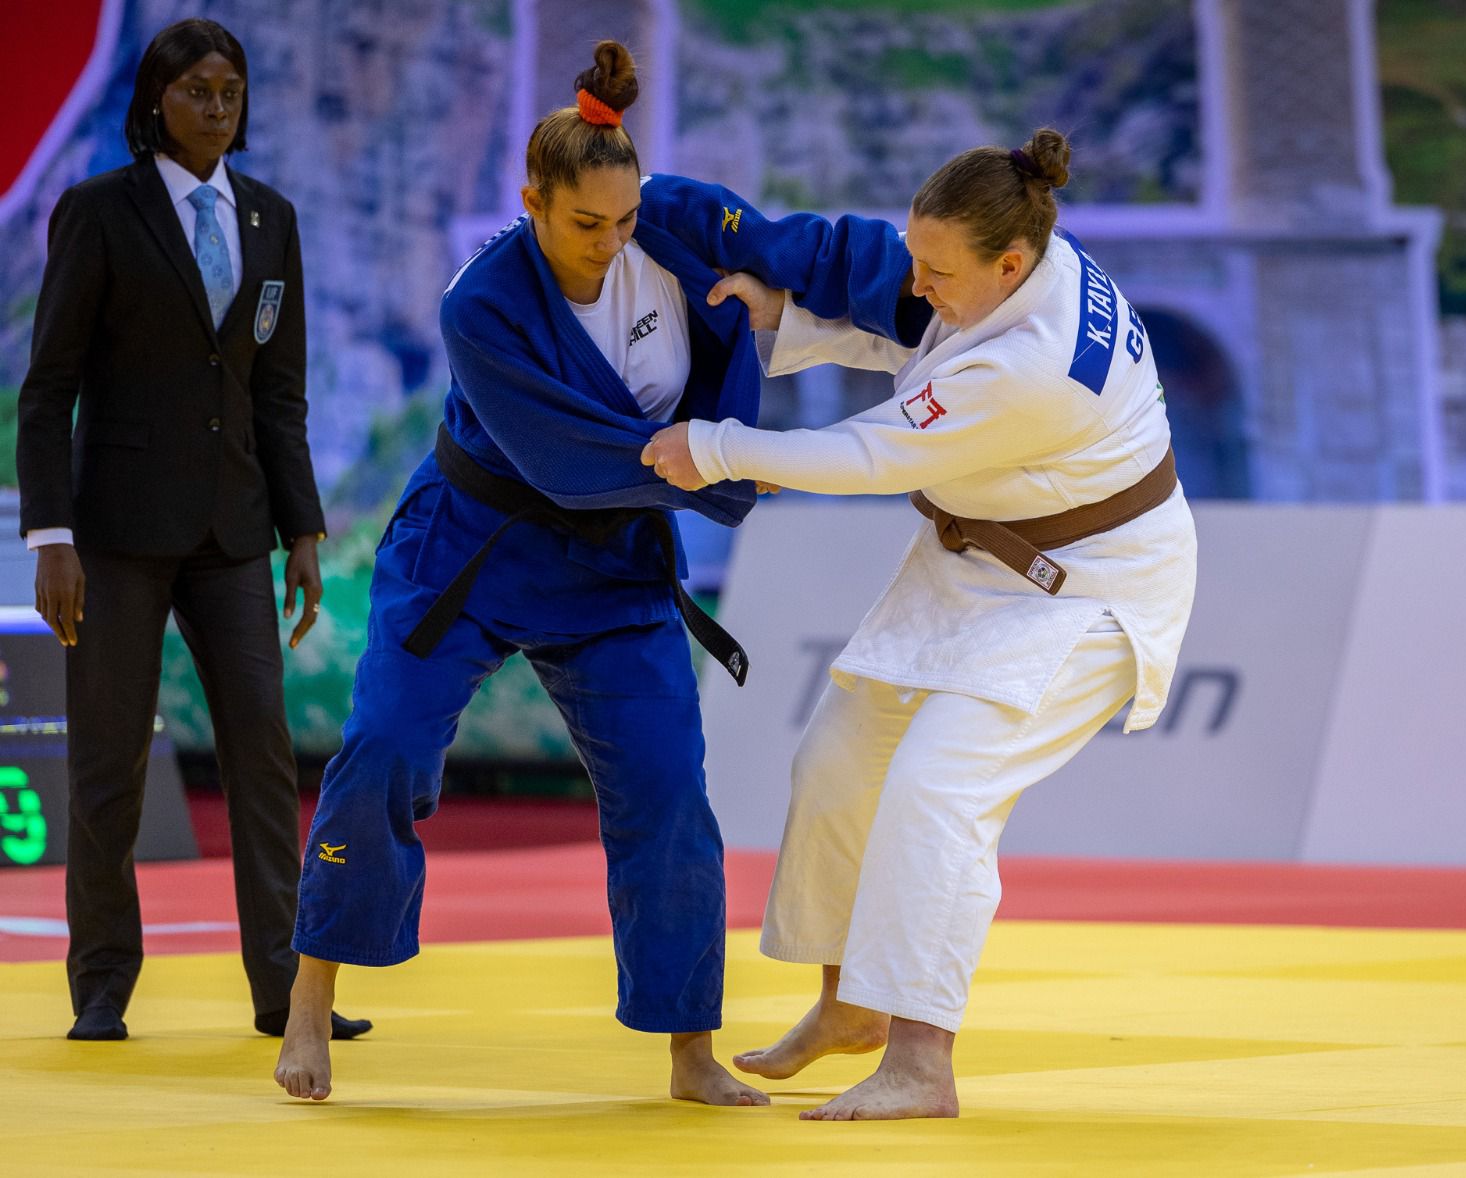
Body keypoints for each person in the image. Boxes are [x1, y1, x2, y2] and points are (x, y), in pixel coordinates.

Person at [273, 40, 922, 1104]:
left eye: (624, 221)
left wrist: (924, 291)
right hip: (471, 547)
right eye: (585, 224)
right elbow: (567, 461)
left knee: (668, 785)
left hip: (614, 565)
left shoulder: (673, 220)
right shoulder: (478, 304)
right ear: (530, 201)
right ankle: (310, 1001)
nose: (611, 242)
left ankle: (687, 1047)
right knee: (384, 745)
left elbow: (793, 245)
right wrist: (725, 472)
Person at [643, 128, 1198, 1120]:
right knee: (837, 765)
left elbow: (874, 451)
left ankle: (920, 1058)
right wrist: (789, 322)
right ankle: (847, 1005)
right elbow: (928, 337)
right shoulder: (1023, 264)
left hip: (1087, 589)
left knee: (940, 788)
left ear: (1009, 263)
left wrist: (715, 446)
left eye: (938, 267)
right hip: (985, 556)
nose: (919, 281)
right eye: (916, 257)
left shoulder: (1036, 362)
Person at [16, 18, 370, 1044]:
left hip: (234, 532)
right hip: (117, 536)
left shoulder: (270, 220)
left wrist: (301, 530)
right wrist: (53, 538)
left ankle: (282, 989)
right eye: (200, 90)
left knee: (263, 748)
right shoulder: (98, 212)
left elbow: (280, 394)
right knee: (107, 762)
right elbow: (48, 394)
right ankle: (101, 985)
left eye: (233, 91)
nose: (220, 106)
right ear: (157, 101)